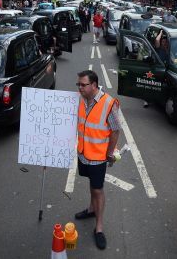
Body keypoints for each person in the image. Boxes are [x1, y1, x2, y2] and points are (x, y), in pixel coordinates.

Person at [74, 70, 120, 250]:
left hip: (98, 157)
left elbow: (115, 130)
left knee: (98, 189)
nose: (79, 88)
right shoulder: (79, 98)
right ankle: (91, 209)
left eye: (83, 85)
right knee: (93, 185)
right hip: (83, 153)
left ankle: (99, 228)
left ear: (94, 85)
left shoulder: (108, 103)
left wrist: (109, 154)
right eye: (78, 84)